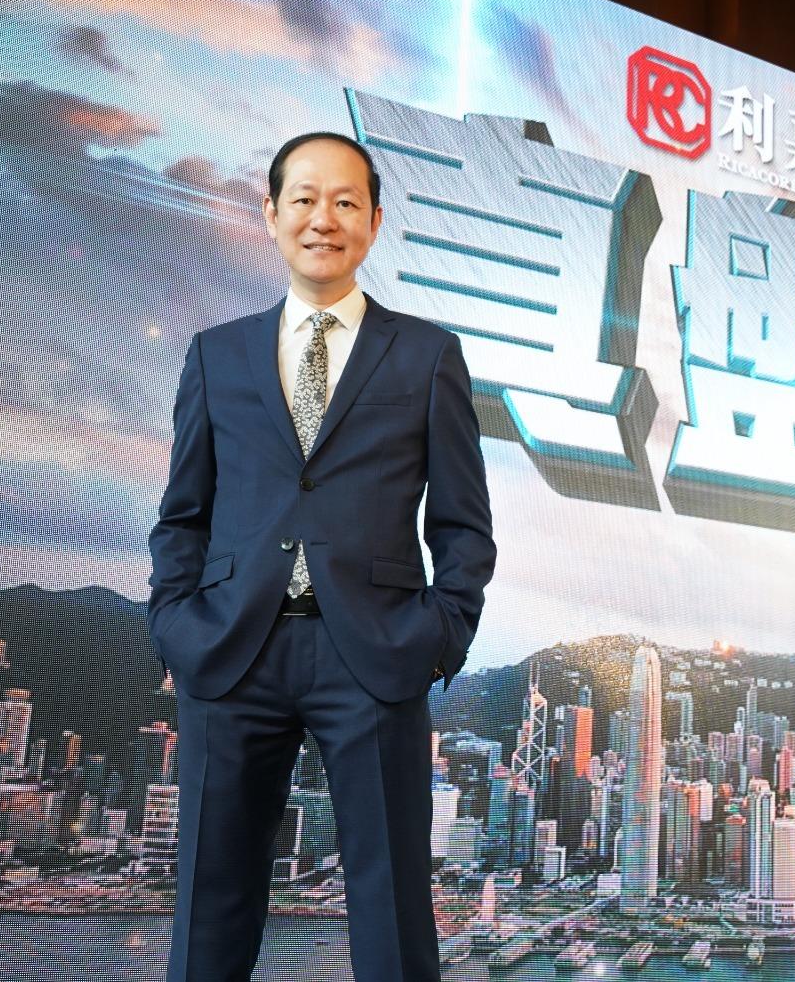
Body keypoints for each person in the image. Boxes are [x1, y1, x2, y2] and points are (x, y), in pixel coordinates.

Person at [147, 131, 495, 981]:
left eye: (345, 202)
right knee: (209, 904)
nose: (323, 219)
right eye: (304, 199)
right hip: (231, 650)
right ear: (271, 215)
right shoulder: (215, 353)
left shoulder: (428, 354)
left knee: (393, 909)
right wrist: (176, 625)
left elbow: (463, 523)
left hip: (373, 653)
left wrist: (439, 635)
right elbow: (183, 514)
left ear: (374, 222)